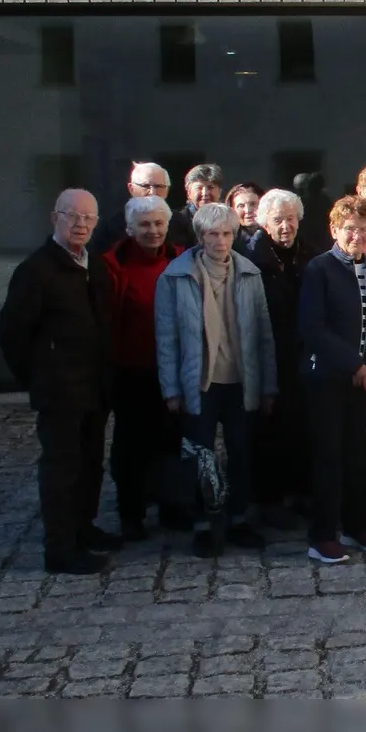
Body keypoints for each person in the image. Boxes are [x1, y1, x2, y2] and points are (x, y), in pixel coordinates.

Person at [0, 189, 120, 575]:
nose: (81, 224)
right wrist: (40, 377)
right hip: (60, 392)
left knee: (89, 465)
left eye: (89, 218)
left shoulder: (95, 266)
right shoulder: (36, 271)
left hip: (94, 387)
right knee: (61, 469)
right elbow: (12, 335)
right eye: (73, 216)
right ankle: (60, 548)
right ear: (55, 218)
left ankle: (82, 528)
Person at [154, 202, 276, 558]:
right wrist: (171, 389)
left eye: (226, 233)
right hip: (198, 381)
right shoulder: (175, 276)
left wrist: (269, 385)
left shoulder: (250, 273)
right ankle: (203, 524)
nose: (220, 241)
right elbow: (166, 338)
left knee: (241, 452)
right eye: (212, 234)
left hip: (241, 378)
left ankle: (238, 518)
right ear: (200, 236)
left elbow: (264, 335)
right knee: (200, 454)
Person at [297, 196, 366, 564]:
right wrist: (354, 366)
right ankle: (323, 533)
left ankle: (357, 525)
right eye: (349, 229)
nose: (357, 235)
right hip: (327, 378)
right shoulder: (319, 269)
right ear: (335, 231)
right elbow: (313, 328)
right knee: (329, 458)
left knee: (361, 455)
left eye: (363, 228)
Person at [102, 195, 184, 542]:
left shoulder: (182, 259)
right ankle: (131, 513)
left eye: (158, 224)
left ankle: (171, 506)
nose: (153, 231)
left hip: (175, 371)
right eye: (145, 225)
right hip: (132, 369)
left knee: (171, 441)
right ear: (130, 228)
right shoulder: (112, 265)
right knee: (131, 446)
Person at [239, 189, 317, 529]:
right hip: (266, 353)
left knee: (302, 426)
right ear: (263, 222)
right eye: (278, 220)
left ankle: (300, 492)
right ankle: (268, 499)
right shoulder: (249, 259)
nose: (285, 226)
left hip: (302, 353)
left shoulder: (309, 255)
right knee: (267, 429)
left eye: (291, 219)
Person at [90, 161, 171, 252]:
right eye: (145, 186)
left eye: (159, 186)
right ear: (131, 188)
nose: (152, 192)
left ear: (167, 190)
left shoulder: (180, 224)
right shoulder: (111, 227)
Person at [170, 163, 224, 247]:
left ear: (220, 192)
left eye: (210, 187)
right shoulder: (177, 221)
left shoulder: (228, 219)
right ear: (189, 193)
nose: (205, 193)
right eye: (199, 188)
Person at [226, 183, 263, 247]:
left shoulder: (274, 238)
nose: (248, 210)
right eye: (241, 206)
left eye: (253, 204)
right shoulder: (228, 242)